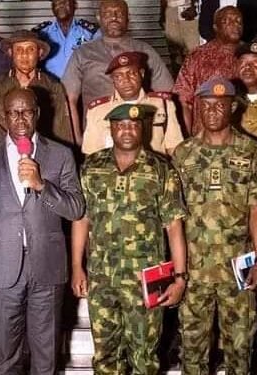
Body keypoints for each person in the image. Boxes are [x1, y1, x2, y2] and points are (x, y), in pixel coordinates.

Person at [0, 88, 85, 375]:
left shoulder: (60, 154)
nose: (20, 118)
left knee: (45, 355)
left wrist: (42, 185)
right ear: (3, 117)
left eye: (27, 111)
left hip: (47, 265)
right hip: (2, 266)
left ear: (38, 114)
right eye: (13, 112)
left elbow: (76, 208)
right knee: (6, 354)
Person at [71, 103, 188, 374]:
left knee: (145, 357)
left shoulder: (161, 170)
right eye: (120, 125)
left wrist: (180, 278)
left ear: (143, 129)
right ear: (111, 129)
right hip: (102, 279)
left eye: (133, 125)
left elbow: (174, 227)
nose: (127, 131)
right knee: (104, 356)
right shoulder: (91, 167)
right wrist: (77, 266)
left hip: (145, 280)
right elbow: (82, 219)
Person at [172, 77, 257, 375]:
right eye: (207, 106)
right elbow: (173, 215)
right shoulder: (183, 153)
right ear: (199, 108)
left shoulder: (252, 152)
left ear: (233, 108)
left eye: (221, 105)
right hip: (193, 268)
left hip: (237, 266)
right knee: (193, 348)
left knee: (240, 347)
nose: (213, 111)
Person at [62, 0, 174, 143]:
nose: (114, 17)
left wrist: (167, 136)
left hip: (140, 135)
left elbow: (168, 96)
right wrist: (77, 139)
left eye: (119, 13)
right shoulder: (83, 53)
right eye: (108, 13)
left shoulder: (145, 51)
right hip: (97, 136)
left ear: (128, 18)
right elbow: (68, 100)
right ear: (98, 17)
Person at [0, 30, 75, 148]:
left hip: (42, 155)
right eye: (19, 50)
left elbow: (63, 134)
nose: (24, 55)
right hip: (3, 155)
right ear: (11, 53)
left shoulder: (53, 87)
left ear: (39, 53)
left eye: (31, 49)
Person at [82, 51, 183, 156]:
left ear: (142, 74)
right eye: (118, 76)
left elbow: (174, 148)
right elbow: (91, 154)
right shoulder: (97, 110)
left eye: (131, 73)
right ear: (113, 80)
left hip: (154, 169)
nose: (126, 80)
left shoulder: (163, 104)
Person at [172, 5, 243, 135]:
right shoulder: (198, 56)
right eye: (227, 21)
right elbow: (183, 101)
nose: (235, 24)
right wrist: (186, 141)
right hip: (203, 138)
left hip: (242, 141)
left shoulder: (251, 58)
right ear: (216, 27)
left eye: (238, 21)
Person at [33, 0, 101, 80]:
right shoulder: (41, 33)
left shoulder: (90, 32)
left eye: (65, 1)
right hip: (50, 89)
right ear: (52, 8)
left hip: (81, 88)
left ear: (75, 5)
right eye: (57, 2)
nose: (61, 5)